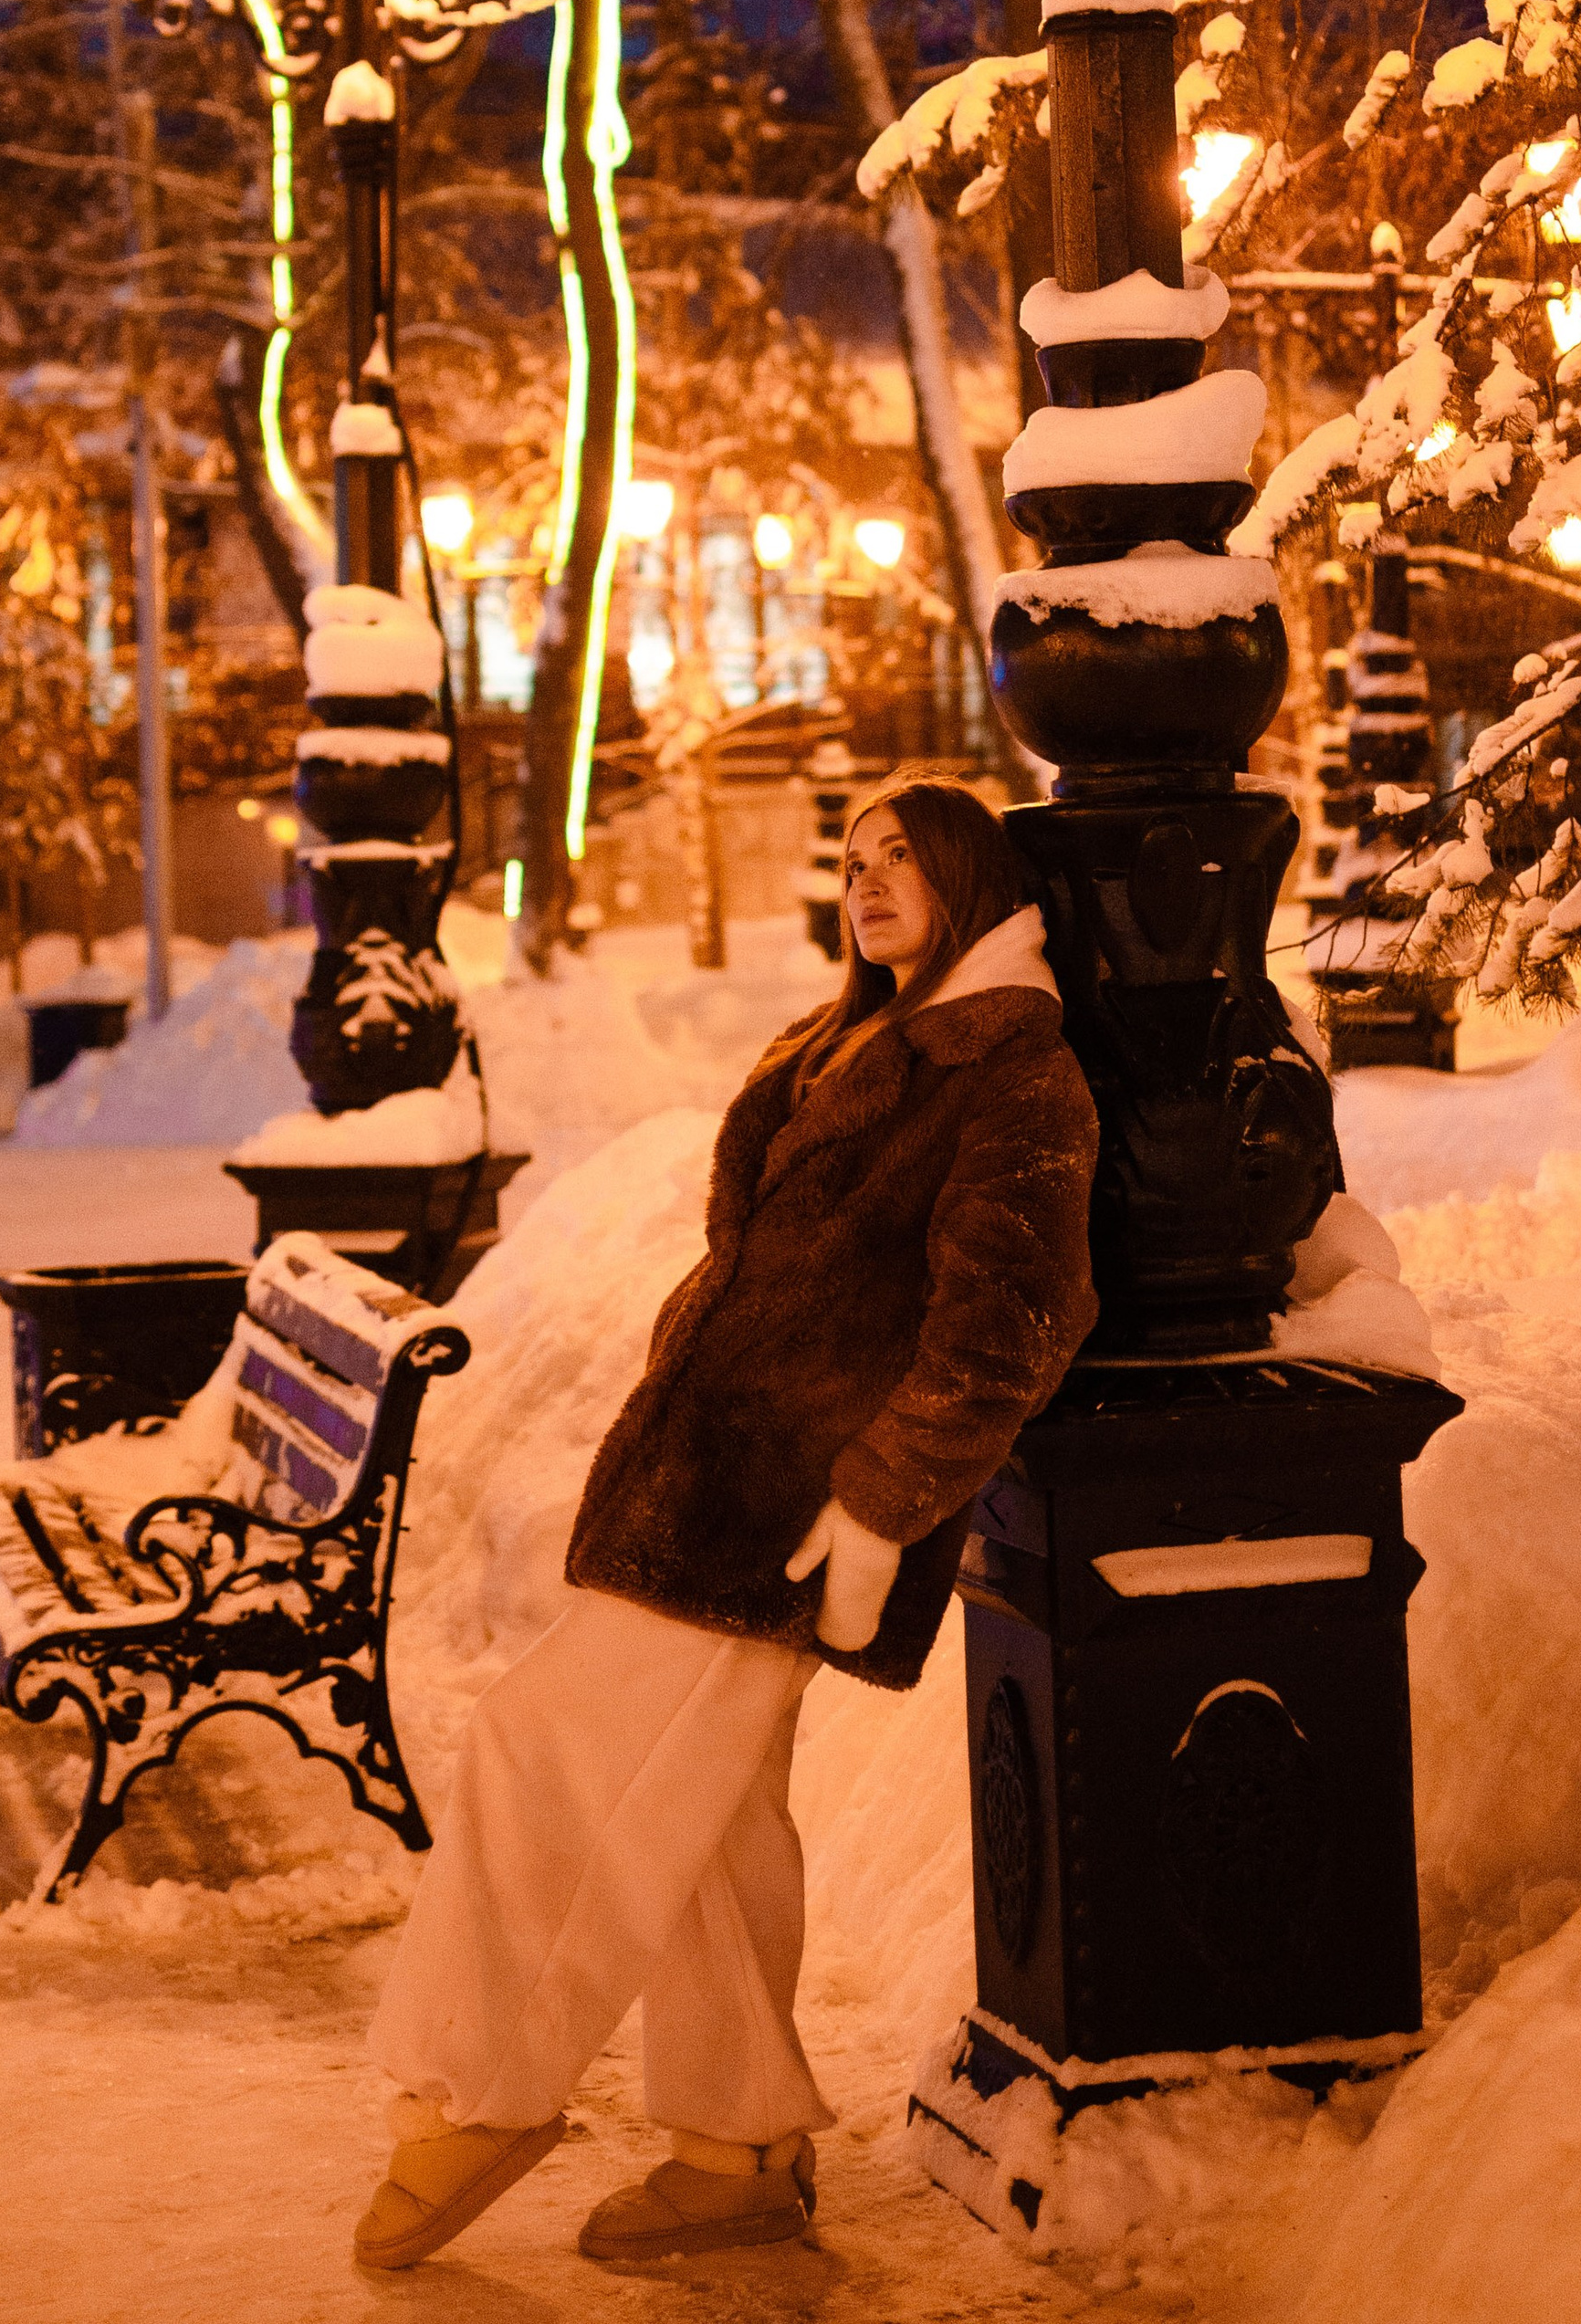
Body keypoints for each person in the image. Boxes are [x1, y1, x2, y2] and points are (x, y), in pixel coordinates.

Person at [354, 768, 1101, 2277]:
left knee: (538, 1748)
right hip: (708, 1482)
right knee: (703, 1829)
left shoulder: (1014, 1068)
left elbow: (1013, 1323)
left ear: (974, 880)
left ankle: (480, 2092)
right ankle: (738, 2144)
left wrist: (881, 1507)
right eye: (855, 856)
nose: (869, 878)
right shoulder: (851, 1039)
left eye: (906, 857)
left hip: (781, 1517)